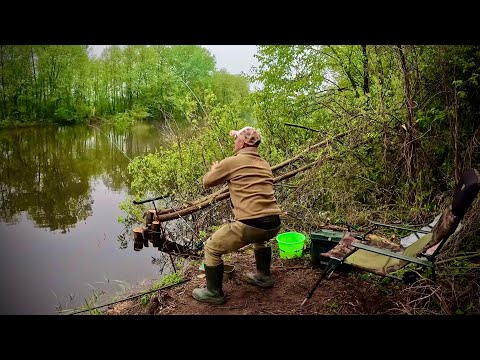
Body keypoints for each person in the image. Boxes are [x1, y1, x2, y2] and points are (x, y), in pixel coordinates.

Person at [192, 126, 282, 304]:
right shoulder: (264, 164)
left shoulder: (231, 162)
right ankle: (264, 276)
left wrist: (215, 168)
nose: (234, 141)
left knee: (211, 248)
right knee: (260, 238)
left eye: (236, 139)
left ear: (242, 143)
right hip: (274, 224)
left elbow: (207, 182)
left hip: (250, 225)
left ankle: (213, 292)